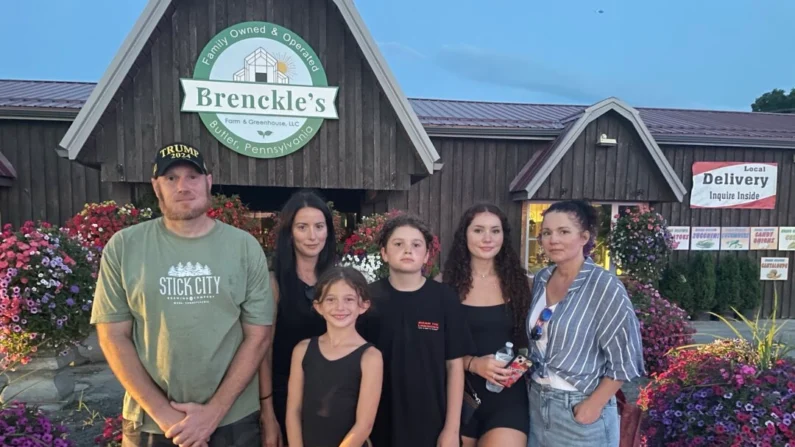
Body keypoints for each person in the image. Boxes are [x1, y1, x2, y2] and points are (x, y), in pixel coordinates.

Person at [91, 142, 274, 447]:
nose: (183, 186)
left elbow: (258, 337)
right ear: (156, 186)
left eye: (192, 176)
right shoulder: (124, 247)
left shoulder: (244, 247)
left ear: (208, 182)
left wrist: (214, 412)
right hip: (151, 421)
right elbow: (113, 337)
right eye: (171, 178)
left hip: (232, 418)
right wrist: (165, 415)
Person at [526, 200, 645, 447]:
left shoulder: (604, 286)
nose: (553, 239)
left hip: (580, 409)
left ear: (584, 237)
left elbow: (625, 358)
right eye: (547, 232)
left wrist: (592, 406)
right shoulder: (541, 279)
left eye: (563, 231)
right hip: (537, 404)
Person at [358, 213, 476, 447]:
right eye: (398, 244)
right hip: (380, 420)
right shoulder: (367, 300)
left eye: (416, 245)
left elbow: (454, 366)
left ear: (427, 255)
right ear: (384, 253)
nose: (407, 250)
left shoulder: (444, 298)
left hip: (431, 421)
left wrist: (452, 430)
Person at [440, 203, 532, 447]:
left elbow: (534, 343)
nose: (487, 238)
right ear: (465, 235)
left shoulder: (522, 284)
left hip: (507, 399)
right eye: (478, 230)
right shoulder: (443, 286)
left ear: (504, 235)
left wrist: (518, 367)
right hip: (458, 397)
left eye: (495, 230)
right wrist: (473, 363)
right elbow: (431, 347)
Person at [259, 190, 338, 447]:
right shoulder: (275, 284)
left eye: (319, 226)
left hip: (334, 396)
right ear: (289, 233)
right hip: (286, 396)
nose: (312, 236)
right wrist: (267, 412)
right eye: (302, 227)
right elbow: (263, 351)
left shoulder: (339, 283)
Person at [285, 266, 383, 447]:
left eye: (349, 299)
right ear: (318, 306)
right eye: (331, 299)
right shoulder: (302, 350)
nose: (340, 307)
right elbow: (293, 411)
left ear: (363, 305)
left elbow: (364, 425)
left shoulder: (370, 357)